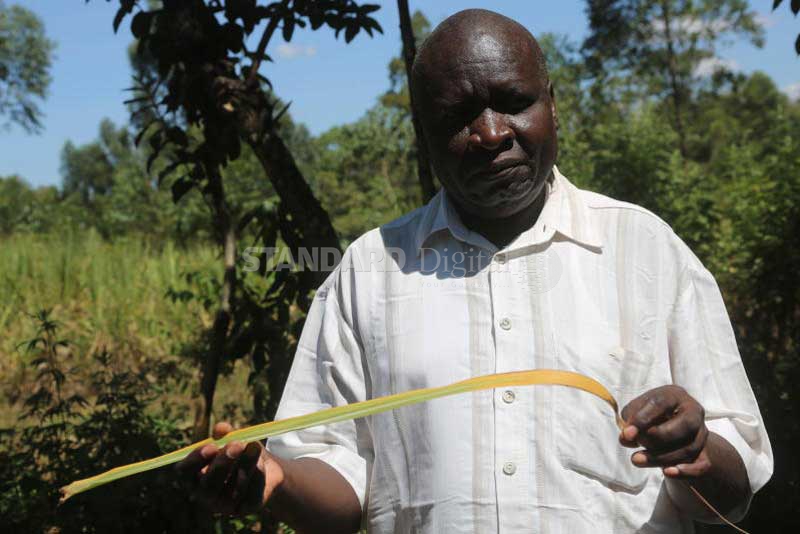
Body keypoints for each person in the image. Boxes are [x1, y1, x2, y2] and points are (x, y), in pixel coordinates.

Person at [176, 9, 773, 533]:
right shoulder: (368, 272)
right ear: (422, 131)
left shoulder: (647, 251)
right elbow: (340, 486)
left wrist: (694, 449)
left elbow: (737, 481)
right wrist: (274, 482)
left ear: (553, 105)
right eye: (460, 115)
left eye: (514, 103)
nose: (492, 134)